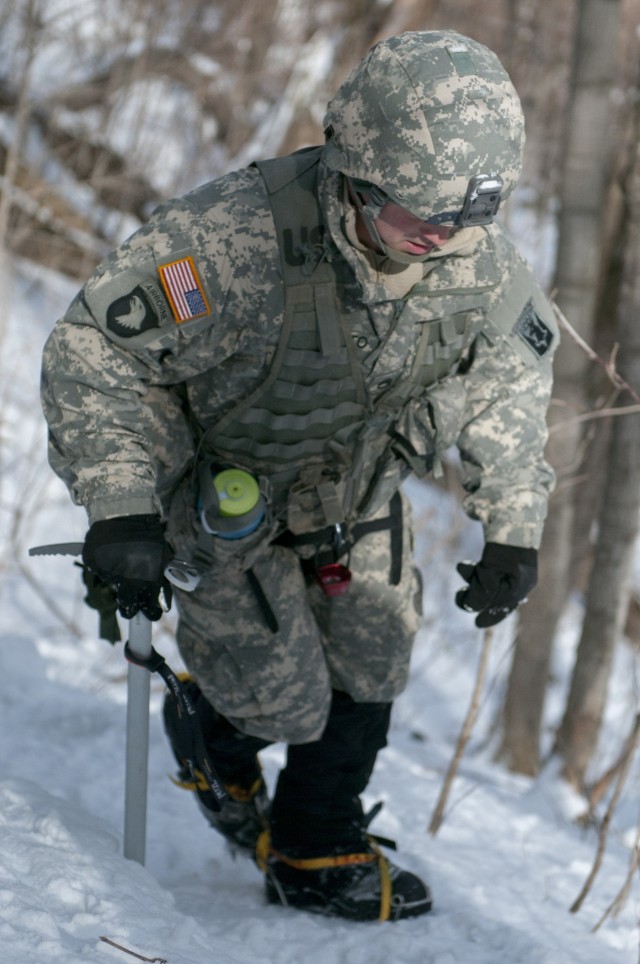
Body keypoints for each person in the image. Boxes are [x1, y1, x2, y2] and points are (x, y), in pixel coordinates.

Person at [40, 30, 558, 923]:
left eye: (465, 217)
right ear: (357, 173)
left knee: (377, 653)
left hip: (356, 495)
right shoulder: (231, 240)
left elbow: (508, 376)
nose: (441, 237)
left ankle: (317, 846)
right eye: (419, 213)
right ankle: (212, 737)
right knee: (280, 700)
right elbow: (99, 353)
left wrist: (514, 520)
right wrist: (121, 505)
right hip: (228, 502)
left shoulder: (472, 257)